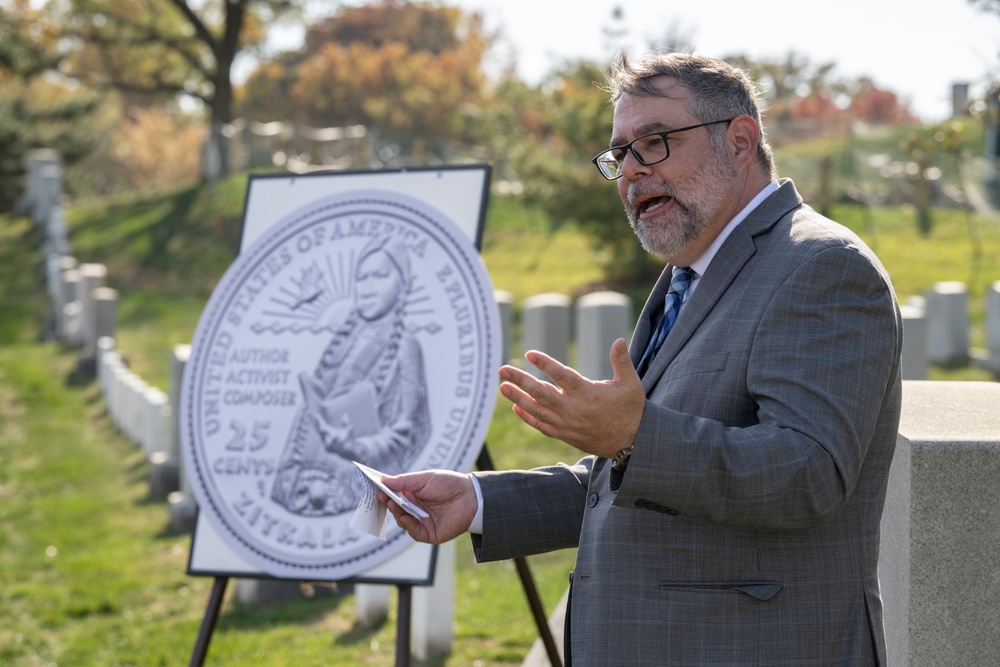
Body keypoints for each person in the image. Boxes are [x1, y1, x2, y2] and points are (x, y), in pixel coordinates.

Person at [382, 50, 902, 666]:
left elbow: (806, 474)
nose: (630, 170)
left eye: (654, 142)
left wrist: (634, 435)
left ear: (739, 141)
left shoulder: (821, 267)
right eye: (620, 153)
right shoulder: (692, 276)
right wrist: (480, 501)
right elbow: (631, 480)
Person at [272, 234, 432, 516]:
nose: (368, 288)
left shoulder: (406, 347)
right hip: (307, 487)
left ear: (403, 284)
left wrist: (355, 447)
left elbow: (407, 432)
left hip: (360, 496)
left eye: (380, 276)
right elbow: (308, 422)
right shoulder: (341, 343)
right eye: (362, 278)